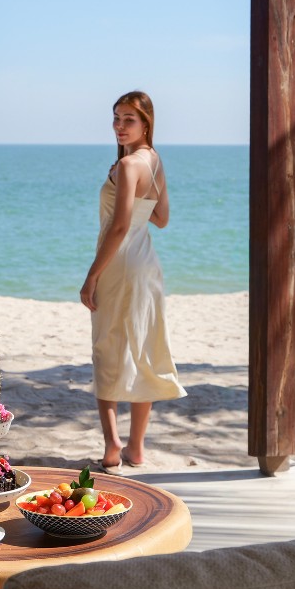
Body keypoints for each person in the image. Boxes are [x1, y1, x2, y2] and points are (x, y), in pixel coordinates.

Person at [80, 91, 186, 471]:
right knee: (143, 348)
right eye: (116, 118)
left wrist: (91, 275)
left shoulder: (127, 167)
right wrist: (141, 201)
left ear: (146, 124)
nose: (120, 126)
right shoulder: (153, 160)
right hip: (146, 263)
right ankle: (136, 449)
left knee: (107, 348)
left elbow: (120, 225)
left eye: (129, 119)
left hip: (119, 264)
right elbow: (161, 218)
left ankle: (113, 448)